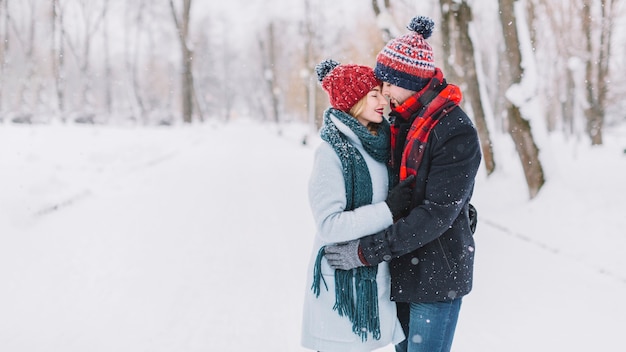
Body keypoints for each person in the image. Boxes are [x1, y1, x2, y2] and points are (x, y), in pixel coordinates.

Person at [324, 16, 482, 352]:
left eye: (387, 84)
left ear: (408, 80)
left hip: (437, 280)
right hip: (402, 273)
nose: (383, 92)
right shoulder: (400, 122)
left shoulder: (454, 130)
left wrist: (366, 252)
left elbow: (434, 214)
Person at [301, 59, 413, 352]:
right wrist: (388, 211)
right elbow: (329, 225)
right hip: (341, 286)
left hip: (373, 276)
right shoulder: (331, 154)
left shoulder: (380, 144)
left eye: (381, 92)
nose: (383, 101)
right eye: (373, 94)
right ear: (353, 101)